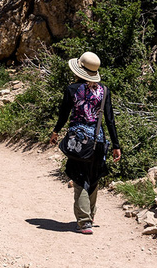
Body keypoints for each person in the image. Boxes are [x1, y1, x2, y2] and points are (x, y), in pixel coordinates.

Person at [48, 51, 121, 234]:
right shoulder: (104, 90)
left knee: (79, 177)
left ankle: (84, 221)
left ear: (78, 70)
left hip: (78, 142)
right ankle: (90, 215)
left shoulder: (72, 89)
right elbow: (110, 120)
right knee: (94, 177)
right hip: (98, 141)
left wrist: (55, 131)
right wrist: (116, 145)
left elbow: (64, 114)